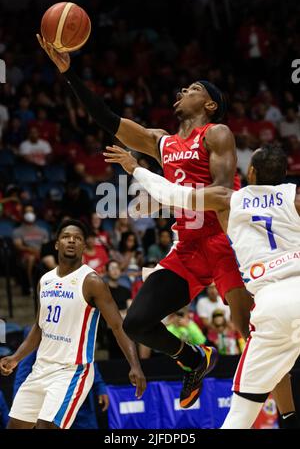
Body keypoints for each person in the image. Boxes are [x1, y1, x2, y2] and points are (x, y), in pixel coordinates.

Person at [36, 36, 293, 416]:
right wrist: (70, 74)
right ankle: (193, 358)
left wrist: (171, 191)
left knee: (252, 332)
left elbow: (222, 191)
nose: (182, 90)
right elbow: (105, 119)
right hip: (188, 249)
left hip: (227, 245)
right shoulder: (162, 142)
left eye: (192, 89)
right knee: (136, 323)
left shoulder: (216, 132)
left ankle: (287, 415)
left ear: (209, 104)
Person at [113, 144, 300, 429]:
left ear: (250, 172)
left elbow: (170, 193)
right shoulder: (295, 197)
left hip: (271, 300)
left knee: (241, 412)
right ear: (285, 174)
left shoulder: (228, 199)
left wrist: (134, 167)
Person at [0, 219, 146, 429]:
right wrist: (16, 358)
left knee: (45, 426)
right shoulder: (45, 280)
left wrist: (135, 365)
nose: (71, 241)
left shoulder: (92, 281)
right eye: (66, 237)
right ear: (57, 243)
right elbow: (40, 328)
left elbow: (117, 326)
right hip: (40, 368)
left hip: (71, 370)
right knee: (14, 426)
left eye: (77, 238)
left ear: (84, 247)